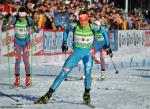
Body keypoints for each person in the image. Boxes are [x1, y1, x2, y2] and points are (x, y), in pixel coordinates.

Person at [34, 10, 112, 104]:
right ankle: (48, 94)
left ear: (88, 20)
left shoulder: (93, 26)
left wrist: (107, 45)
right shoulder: (74, 25)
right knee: (63, 73)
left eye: (84, 20)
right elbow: (66, 30)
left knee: (87, 72)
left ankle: (87, 93)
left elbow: (103, 31)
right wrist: (64, 42)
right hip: (76, 53)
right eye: (80, 20)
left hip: (88, 53)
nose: (82, 23)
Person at [1, 7, 39, 87]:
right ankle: (17, 80)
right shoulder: (15, 19)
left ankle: (28, 80)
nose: (21, 18)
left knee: (25, 60)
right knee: (17, 61)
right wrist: (4, 26)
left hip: (26, 43)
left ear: (25, 15)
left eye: (23, 17)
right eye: (20, 17)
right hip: (17, 42)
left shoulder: (28, 19)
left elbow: (37, 30)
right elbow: (4, 29)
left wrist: (35, 28)